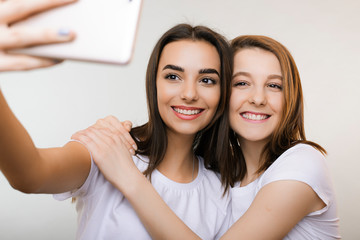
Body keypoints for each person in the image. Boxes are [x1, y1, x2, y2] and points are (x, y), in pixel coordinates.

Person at [0, 1, 233, 239]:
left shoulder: (221, 191)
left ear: (223, 91)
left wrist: (130, 180)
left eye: (207, 80)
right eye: (173, 76)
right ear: (153, 84)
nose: (189, 94)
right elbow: (29, 175)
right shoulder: (110, 146)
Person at [78, 35, 340, 239]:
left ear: (290, 97)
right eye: (241, 83)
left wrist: (128, 178)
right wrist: (115, 133)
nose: (258, 99)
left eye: (274, 86)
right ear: (222, 93)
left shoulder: (303, 162)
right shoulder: (220, 178)